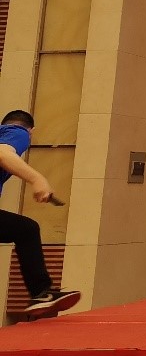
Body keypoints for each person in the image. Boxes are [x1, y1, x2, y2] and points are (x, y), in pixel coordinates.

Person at [0, 109, 82, 318]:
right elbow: (3, 153)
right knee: (26, 230)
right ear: (31, 131)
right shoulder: (16, 132)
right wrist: (38, 179)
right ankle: (41, 293)